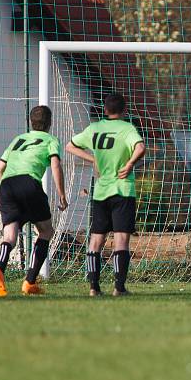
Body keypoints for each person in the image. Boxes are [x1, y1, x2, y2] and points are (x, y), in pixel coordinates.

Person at [66, 93, 146, 297]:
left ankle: (93, 287)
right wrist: (129, 164)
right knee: (121, 240)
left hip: (100, 192)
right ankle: (119, 288)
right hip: (122, 190)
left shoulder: (95, 128)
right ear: (124, 110)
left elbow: (70, 146)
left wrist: (92, 158)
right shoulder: (127, 128)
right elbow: (140, 147)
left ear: (105, 110)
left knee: (96, 240)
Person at [0, 106, 68, 297]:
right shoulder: (51, 140)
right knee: (46, 230)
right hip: (28, 183)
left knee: (9, 236)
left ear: (30, 122)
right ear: (50, 123)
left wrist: (13, 188)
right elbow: (55, 164)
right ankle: (29, 281)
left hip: (6, 185)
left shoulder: (18, 139)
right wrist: (62, 194)